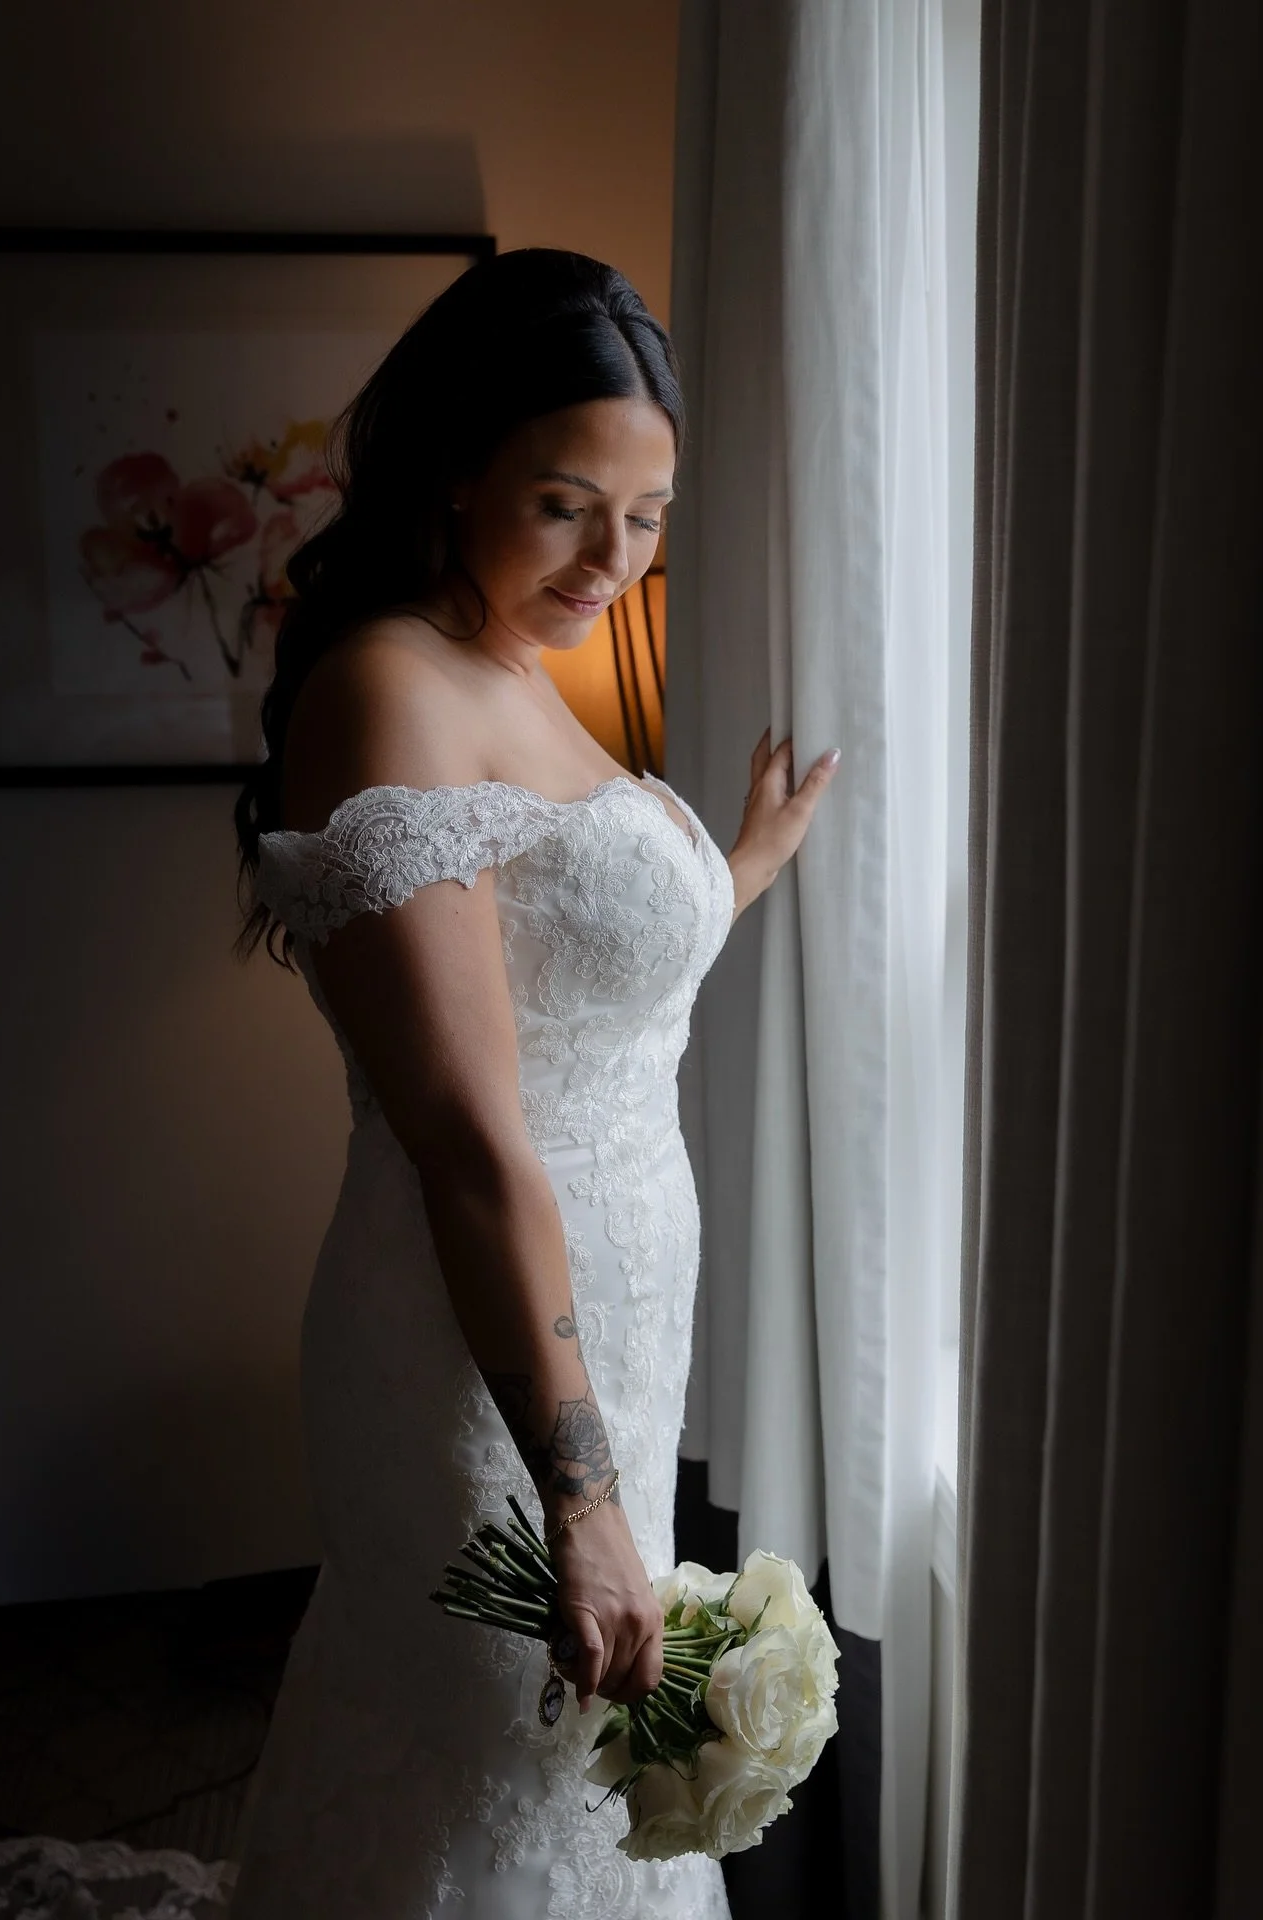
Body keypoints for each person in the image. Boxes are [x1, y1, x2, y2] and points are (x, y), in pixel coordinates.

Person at [229, 248, 838, 1919]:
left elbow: (579, 986)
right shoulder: (385, 691)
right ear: (455, 468)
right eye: (571, 505)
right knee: (488, 1756)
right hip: (471, 1344)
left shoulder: (510, 666)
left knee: (573, 1763)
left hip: (608, 1335)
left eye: (648, 516)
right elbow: (475, 1135)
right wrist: (577, 1496)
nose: (616, 562)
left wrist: (734, 872)